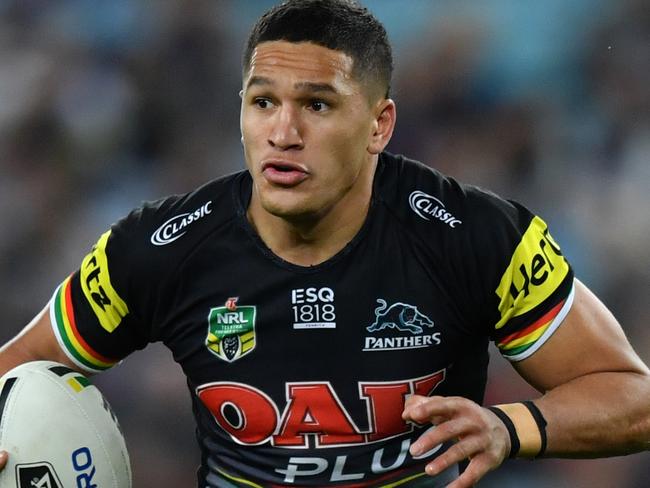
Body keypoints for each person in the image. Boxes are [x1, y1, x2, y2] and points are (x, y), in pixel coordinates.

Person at [1, 0, 649, 486]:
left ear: (378, 124)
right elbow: (16, 372)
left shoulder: (476, 237)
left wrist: (514, 427)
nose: (283, 130)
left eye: (316, 105)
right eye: (263, 102)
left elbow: (632, 396)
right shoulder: (160, 248)